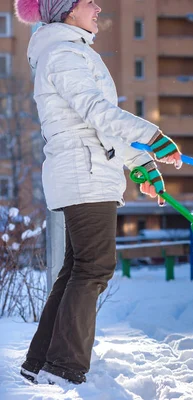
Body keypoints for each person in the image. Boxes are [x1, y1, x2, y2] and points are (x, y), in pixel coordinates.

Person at [15, 0, 181, 384]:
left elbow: (97, 125)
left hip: (87, 169)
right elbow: (96, 111)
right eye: (89, 1)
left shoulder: (67, 51)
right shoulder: (63, 53)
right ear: (69, 10)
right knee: (94, 267)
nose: (98, 6)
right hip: (83, 172)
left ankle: (41, 362)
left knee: (78, 268)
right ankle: (63, 367)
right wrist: (152, 138)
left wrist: (142, 165)